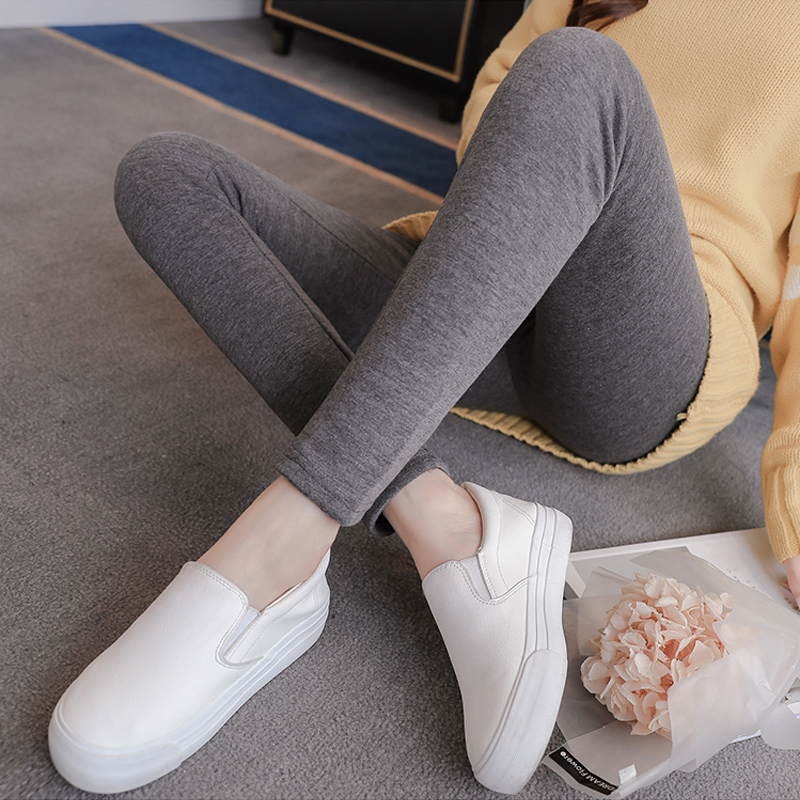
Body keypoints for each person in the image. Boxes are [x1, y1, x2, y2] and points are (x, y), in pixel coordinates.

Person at [47, 0, 800, 795]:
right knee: (168, 175)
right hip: (492, 290)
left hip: (644, 347)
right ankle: (453, 528)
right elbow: (501, 107)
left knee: (583, 68)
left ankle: (277, 549)